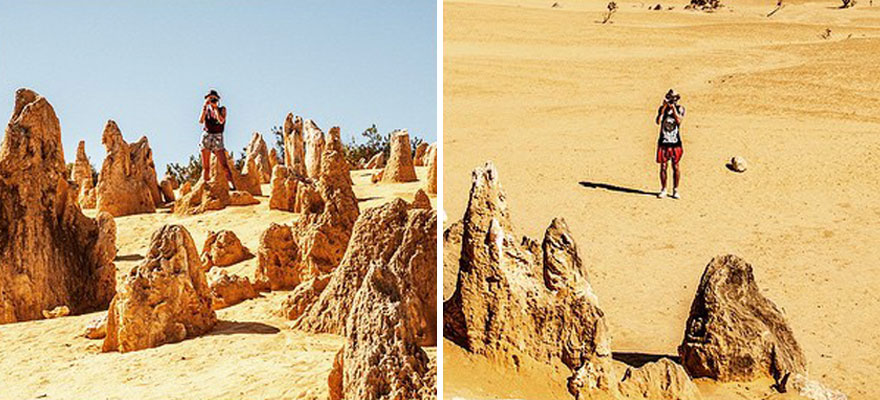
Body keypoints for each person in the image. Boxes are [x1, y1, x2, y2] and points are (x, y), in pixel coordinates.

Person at [199, 89, 235, 189]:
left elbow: (221, 120)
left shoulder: (222, 109)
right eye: (210, 99)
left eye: (214, 99)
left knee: (224, 165)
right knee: (206, 167)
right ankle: (205, 188)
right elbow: (201, 121)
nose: (212, 101)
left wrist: (215, 109)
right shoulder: (206, 110)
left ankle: (232, 186)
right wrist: (204, 108)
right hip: (207, 135)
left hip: (218, 136)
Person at [655, 89, 685, 199]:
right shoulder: (662, 109)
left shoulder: (680, 109)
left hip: (675, 142)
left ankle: (675, 189)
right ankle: (663, 189)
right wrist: (663, 109)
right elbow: (658, 121)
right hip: (663, 142)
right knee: (663, 166)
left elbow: (679, 121)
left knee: (675, 166)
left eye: (674, 98)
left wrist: (673, 109)